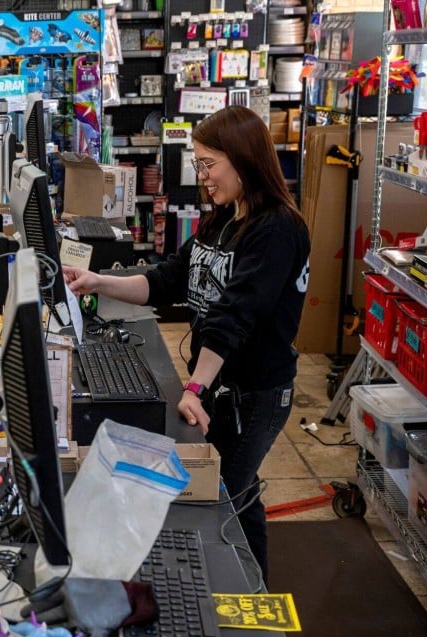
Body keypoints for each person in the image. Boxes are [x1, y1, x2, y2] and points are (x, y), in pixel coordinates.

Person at [63, 106, 310, 580]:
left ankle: (242, 608)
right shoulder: (222, 220)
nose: (203, 178)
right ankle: (255, 589)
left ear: (243, 159)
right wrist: (98, 282)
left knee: (220, 499)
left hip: (253, 395)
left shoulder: (277, 229)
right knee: (238, 491)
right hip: (220, 388)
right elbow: (167, 281)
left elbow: (234, 315)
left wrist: (194, 388)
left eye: (208, 164)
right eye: (197, 165)